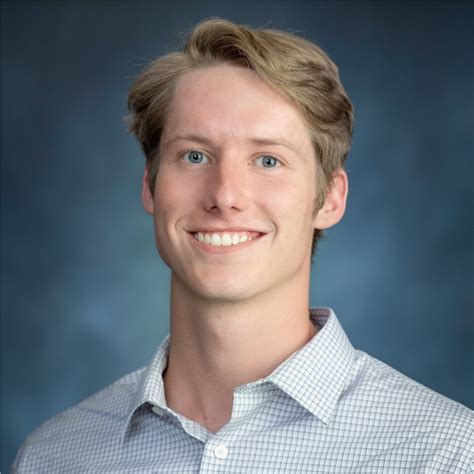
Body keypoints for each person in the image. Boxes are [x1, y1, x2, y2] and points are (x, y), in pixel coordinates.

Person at [13, 18, 473, 473]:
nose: (225, 195)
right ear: (150, 187)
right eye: (195, 156)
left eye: (268, 160)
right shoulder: (52, 457)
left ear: (330, 199)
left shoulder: (446, 455)